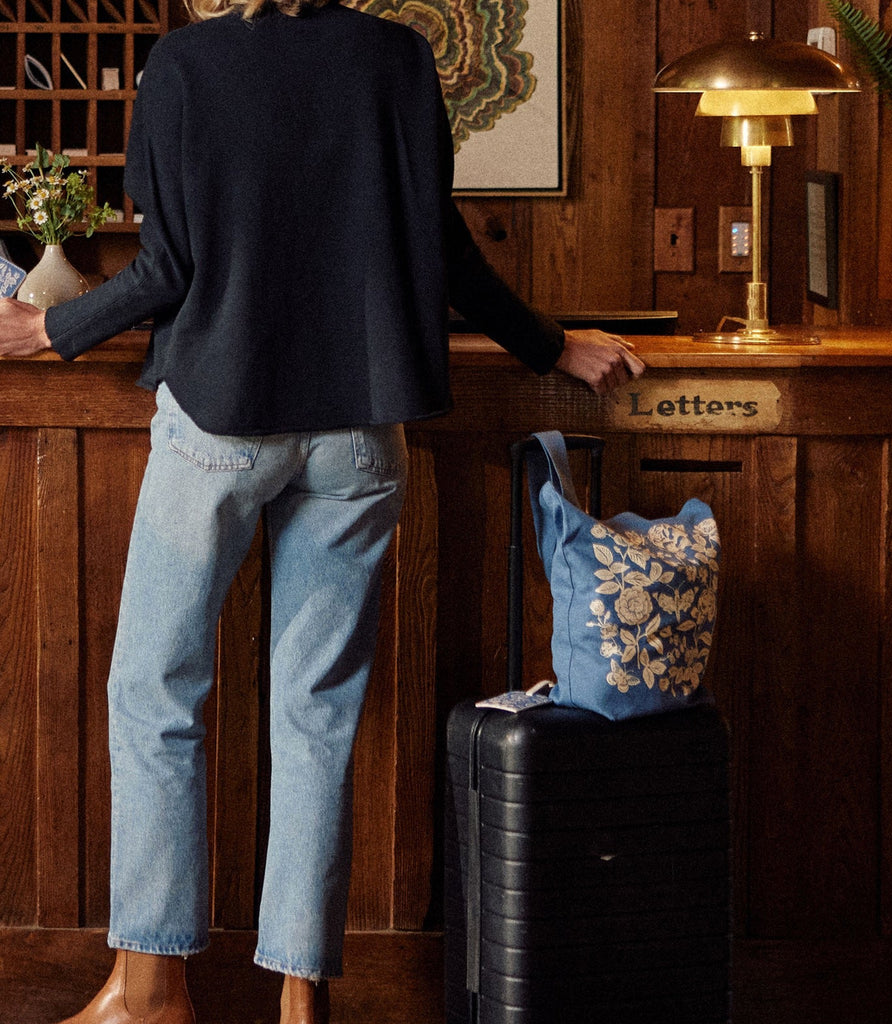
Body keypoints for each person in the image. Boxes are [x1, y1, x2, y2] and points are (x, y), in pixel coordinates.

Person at [0, 0, 644, 1022]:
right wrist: (550, 345)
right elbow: (445, 253)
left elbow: (168, 271)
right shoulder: (397, 57)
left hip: (220, 424)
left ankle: (151, 988)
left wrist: (50, 331)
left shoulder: (183, 64)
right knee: (316, 718)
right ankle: (303, 1003)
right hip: (359, 433)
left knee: (155, 696)